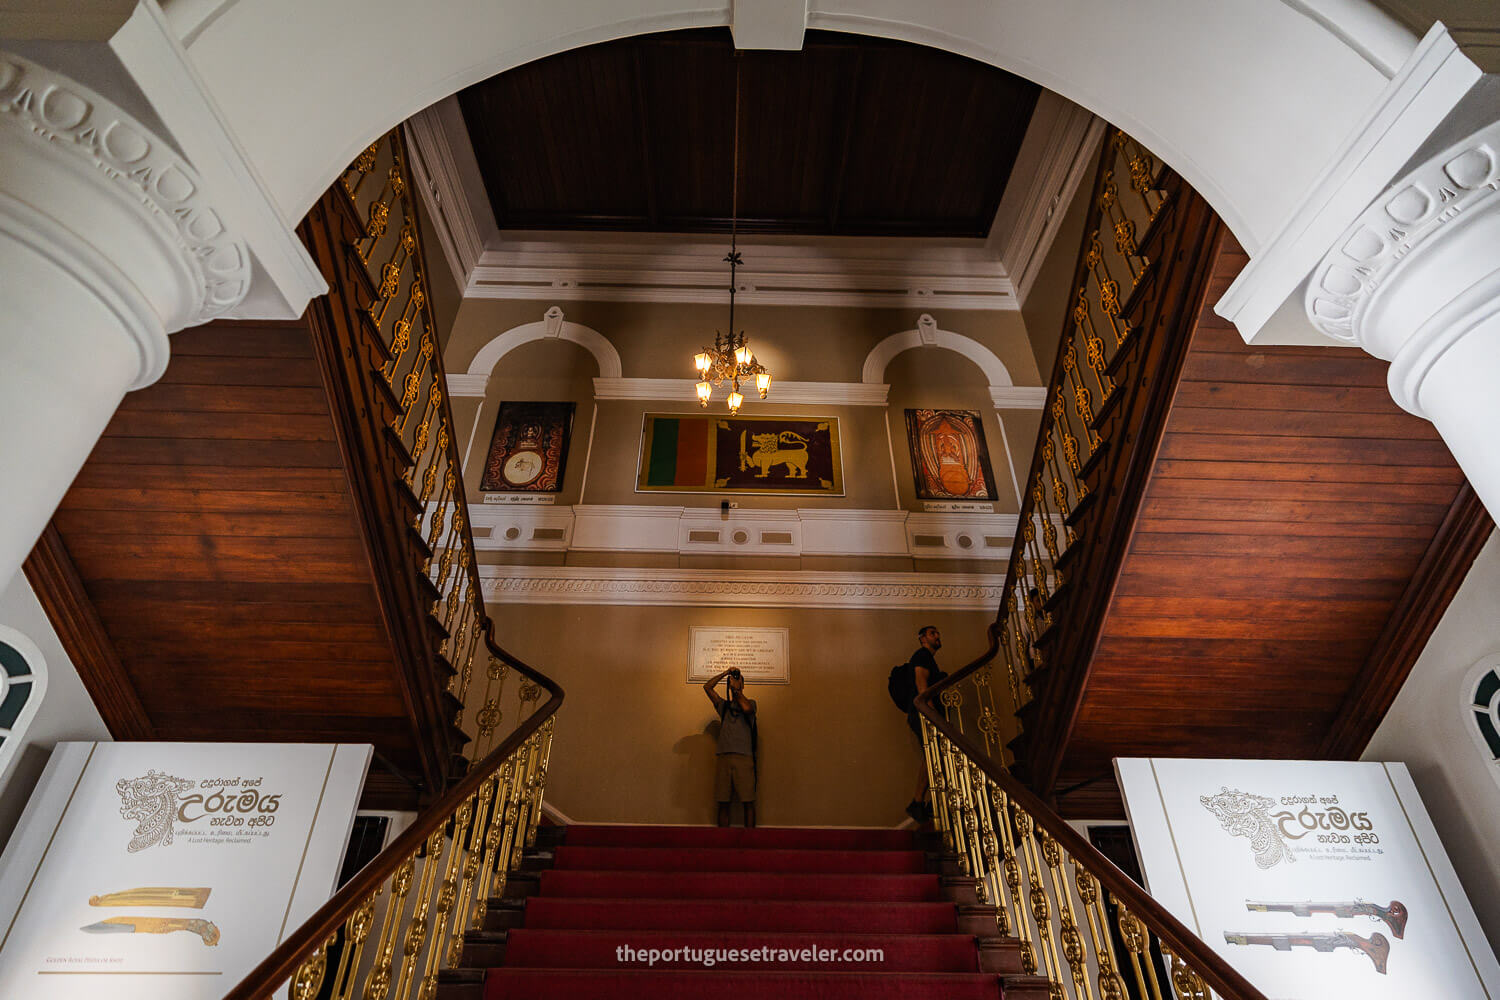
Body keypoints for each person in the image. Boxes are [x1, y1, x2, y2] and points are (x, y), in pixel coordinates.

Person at [703, 667, 757, 828]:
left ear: (743, 685)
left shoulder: (751, 703)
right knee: (723, 801)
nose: (734, 682)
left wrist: (736, 690)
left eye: (738, 680)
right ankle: (723, 842)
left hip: (744, 758)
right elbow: (707, 687)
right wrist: (725, 674)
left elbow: (747, 709)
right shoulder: (723, 706)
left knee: (748, 801)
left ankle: (751, 841)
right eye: (732, 682)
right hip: (724, 757)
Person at [904, 625, 945, 824]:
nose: (937, 636)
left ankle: (919, 802)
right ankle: (918, 801)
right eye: (932, 633)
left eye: (937, 633)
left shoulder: (928, 658)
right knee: (933, 755)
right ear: (922, 639)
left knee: (933, 756)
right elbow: (922, 686)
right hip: (923, 714)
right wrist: (933, 715)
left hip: (922, 714)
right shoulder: (921, 655)